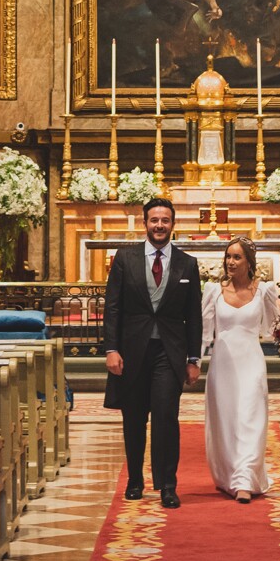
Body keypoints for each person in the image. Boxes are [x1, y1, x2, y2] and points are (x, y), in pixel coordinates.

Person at [102, 198, 202, 508]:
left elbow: (194, 315)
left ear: (173, 224)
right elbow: (113, 307)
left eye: (165, 220)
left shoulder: (188, 264)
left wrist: (193, 358)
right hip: (132, 351)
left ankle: (168, 485)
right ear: (145, 223)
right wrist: (111, 349)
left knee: (165, 417)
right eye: (154, 220)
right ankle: (135, 480)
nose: (159, 225)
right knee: (133, 418)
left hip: (168, 353)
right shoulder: (125, 258)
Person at [202, 236, 280, 502]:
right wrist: (192, 361)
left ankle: (245, 477)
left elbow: (273, 329)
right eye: (228, 257)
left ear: (249, 262)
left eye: (237, 257)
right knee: (226, 420)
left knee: (250, 416)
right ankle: (229, 476)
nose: (231, 262)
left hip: (251, 363)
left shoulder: (265, 290)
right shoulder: (213, 291)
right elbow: (204, 332)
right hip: (222, 364)